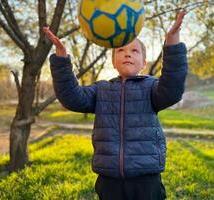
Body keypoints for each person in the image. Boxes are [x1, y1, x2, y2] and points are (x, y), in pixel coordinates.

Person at [43, 10, 187, 200]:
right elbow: (72, 97)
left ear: (143, 62)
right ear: (113, 62)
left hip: (146, 179)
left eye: (134, 51)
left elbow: (173, 89)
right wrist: (61, 61)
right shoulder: (101, 89)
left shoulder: (151, 87)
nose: (127, 54)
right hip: (109, 180)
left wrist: (172, 43)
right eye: (121, 50)